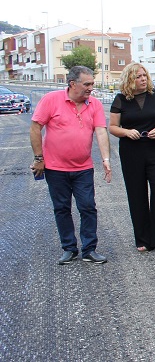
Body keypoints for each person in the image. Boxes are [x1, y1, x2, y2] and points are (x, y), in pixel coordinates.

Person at [30, 66, 112, 265]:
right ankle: (69, 248)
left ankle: (89, 249)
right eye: (87, 84)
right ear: (72, 84)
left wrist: (106, 160)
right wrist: (39, 158)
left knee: (88, 207)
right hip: (55, 169)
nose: (91, 88)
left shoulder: (94, 104)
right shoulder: (51, 100)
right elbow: (35, 127)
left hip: (83, 168)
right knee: (62, 208)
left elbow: (101, 132)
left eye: (92, 84)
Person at [109, 63, 155, 254]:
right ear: (129, 80)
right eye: (138, 76)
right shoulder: (120, 99)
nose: (142, 79)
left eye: (144, 76)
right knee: (136, 193)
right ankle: (143, 239)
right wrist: (126, 132)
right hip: (131, 151)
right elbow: (113, 127)